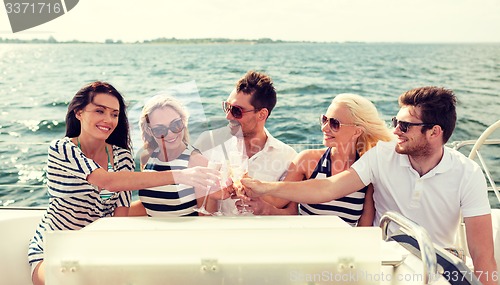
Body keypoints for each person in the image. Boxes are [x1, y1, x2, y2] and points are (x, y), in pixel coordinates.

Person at [241, 86, 497, 284]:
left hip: (434, 267)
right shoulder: (381, 156)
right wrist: (265, 187)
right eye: (395, 122)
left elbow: (483, 256)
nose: (395, 130)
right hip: (383, 264)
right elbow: (328, 187)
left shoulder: (468, 173)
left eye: (405, 125)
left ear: (434, 132)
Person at [28, 81, 219, 285]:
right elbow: (107, 181)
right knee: (63, 280)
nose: (108, 119)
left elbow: (121, 213)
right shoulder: (62, 148)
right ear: (79, 112)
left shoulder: (122, 157)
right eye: (99, 111)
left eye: (114, 114)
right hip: (54, 248)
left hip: (96, 248)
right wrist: (180, 176)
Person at [272, 93, 393, 225]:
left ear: (357, 131)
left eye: (334, 123)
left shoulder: (367, 172)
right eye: (324, 119)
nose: (324, 128)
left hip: (346, 244)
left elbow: (364, 228)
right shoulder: (307, 160)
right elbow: (279, 201)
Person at [194, 70, 297, 215]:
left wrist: (266, 208)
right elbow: (204, 215)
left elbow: (292, 214)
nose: (228, 116)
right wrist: (212, 195)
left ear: (262, 114)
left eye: (237, 111)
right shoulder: (210, 145)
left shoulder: (288, 157)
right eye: (227, 107)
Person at [128, 95, 212, 217]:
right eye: (160, 130)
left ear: (184, 122)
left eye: (175, 125)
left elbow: (205, 216)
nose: (170, 134)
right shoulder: (147, 157)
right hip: (153, 232)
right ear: (149, 131)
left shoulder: (197, 162)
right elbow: (152, 203)